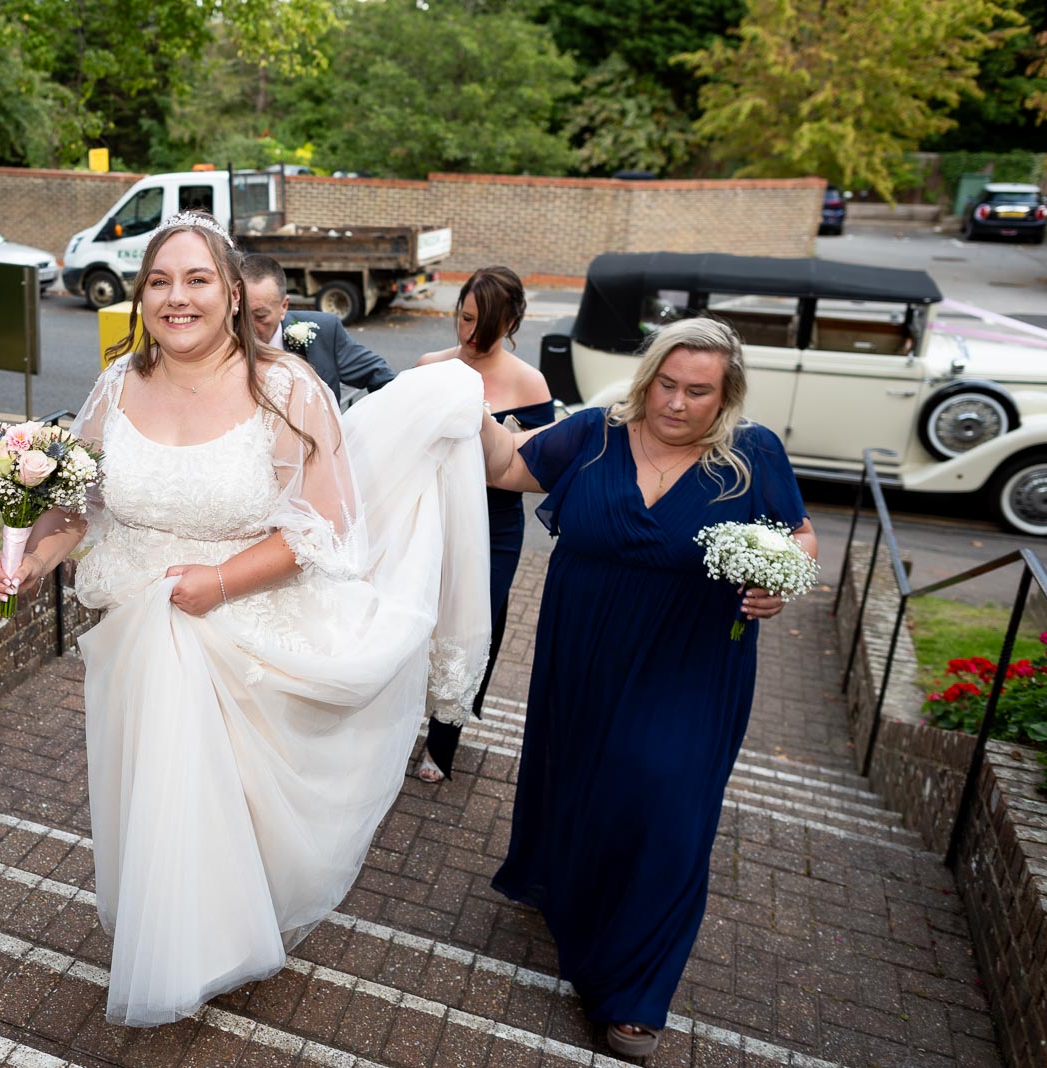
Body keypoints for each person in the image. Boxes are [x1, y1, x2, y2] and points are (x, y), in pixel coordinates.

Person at [0, 212, 492, 1027]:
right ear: (142, 295)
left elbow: (320, 528)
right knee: (160, 795)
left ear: (230, 293)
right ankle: (178, 936)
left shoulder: (287, 390)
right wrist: (30, 559)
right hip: (139, 639)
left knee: (240, 808)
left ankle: (216, 938)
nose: (175, 297)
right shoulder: (116, 385)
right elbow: (77, 505)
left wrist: (219, 581)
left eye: (195, 280)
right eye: (158, 280)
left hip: (246, 624)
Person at [477, 316, 818, 1058]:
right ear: (647, 377)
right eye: (667, 383)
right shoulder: (597, 433)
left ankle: (633, 993)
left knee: (666, 805)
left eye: (698, 391)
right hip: (583, 651)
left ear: (725, 395)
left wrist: (779, 582)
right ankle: (572, 892)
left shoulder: (751, 454)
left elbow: (799, 534)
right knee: (581, 783)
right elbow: (509, 469)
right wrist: (459, 403)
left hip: (691, 661)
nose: (676, 402)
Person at [413, 266, 553, 783]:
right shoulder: (431, 366)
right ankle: (404, 713)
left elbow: (540, 471)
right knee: (420, 614)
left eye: (486, 326)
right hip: (434, 515)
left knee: (478, 622)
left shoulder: (528, 382)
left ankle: (444, 738)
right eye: (465, 319)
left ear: (514, 321)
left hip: (495, 526)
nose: (472, 336)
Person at [240, 254, 396, 399]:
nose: (247, 326)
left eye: (260, 316)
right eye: (239, 315)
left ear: (284, 306)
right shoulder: (221, 341)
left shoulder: (325, 331)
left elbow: (380, 377)